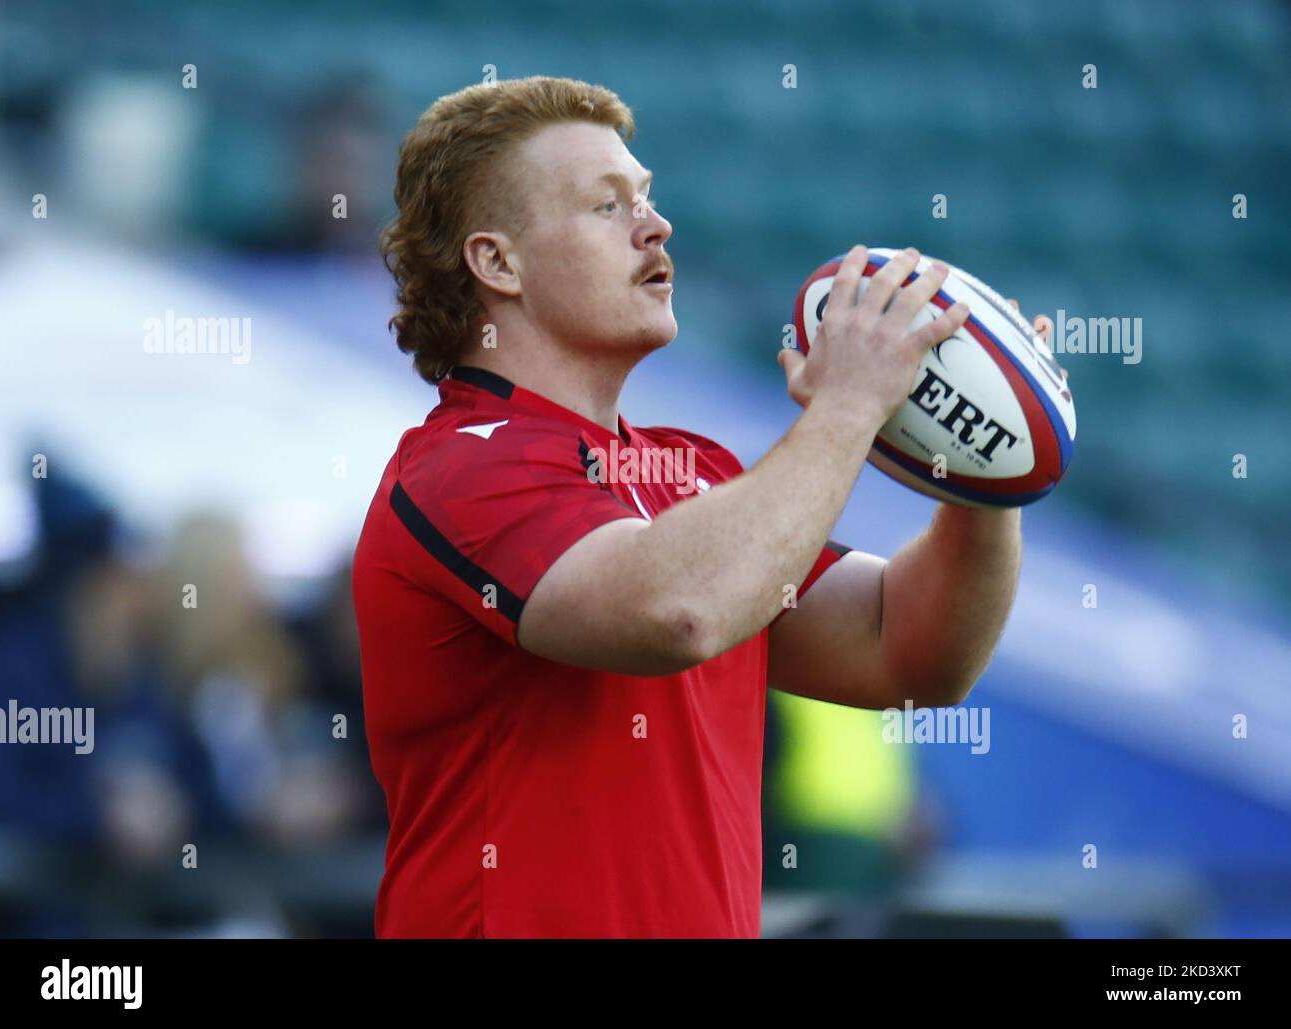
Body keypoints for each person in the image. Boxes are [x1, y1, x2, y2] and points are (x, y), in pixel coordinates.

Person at [353, 75, 1041, 938]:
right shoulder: (461, 465)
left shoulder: (692, 473)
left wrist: (988, 468)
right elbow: (676, 610)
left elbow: (908, 650)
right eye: (607, 207)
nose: (655, 223)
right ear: (498, 263)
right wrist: (846, 407)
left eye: (646, 195)